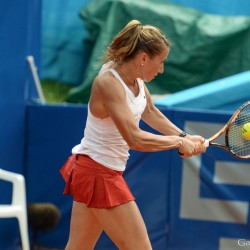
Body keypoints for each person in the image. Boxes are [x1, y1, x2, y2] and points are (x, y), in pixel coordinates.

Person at [60, 19, 206, 250]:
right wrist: (178, 143)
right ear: (143, 58)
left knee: (79, 246)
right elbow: (135, 138)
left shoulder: (134, 78)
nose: (162, 69)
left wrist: (184, 136)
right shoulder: (108, 83)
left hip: (92, 171)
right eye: (161, 62)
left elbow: (149, 111)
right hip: (97, 172)